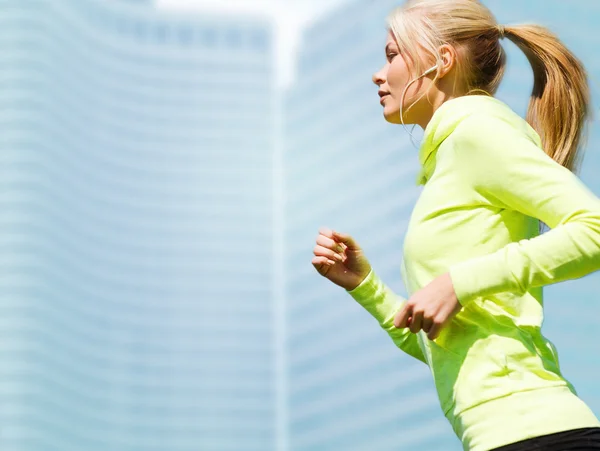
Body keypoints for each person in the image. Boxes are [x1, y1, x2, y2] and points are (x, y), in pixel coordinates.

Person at [311, 1, 600, 450]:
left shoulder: (478, 134)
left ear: (441, 62)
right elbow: (444, 344)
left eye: (392, 55)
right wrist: (365, 286)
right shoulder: (448, 158)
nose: (377, 73)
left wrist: (459, 283)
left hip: (538, 431)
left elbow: (594, 229)